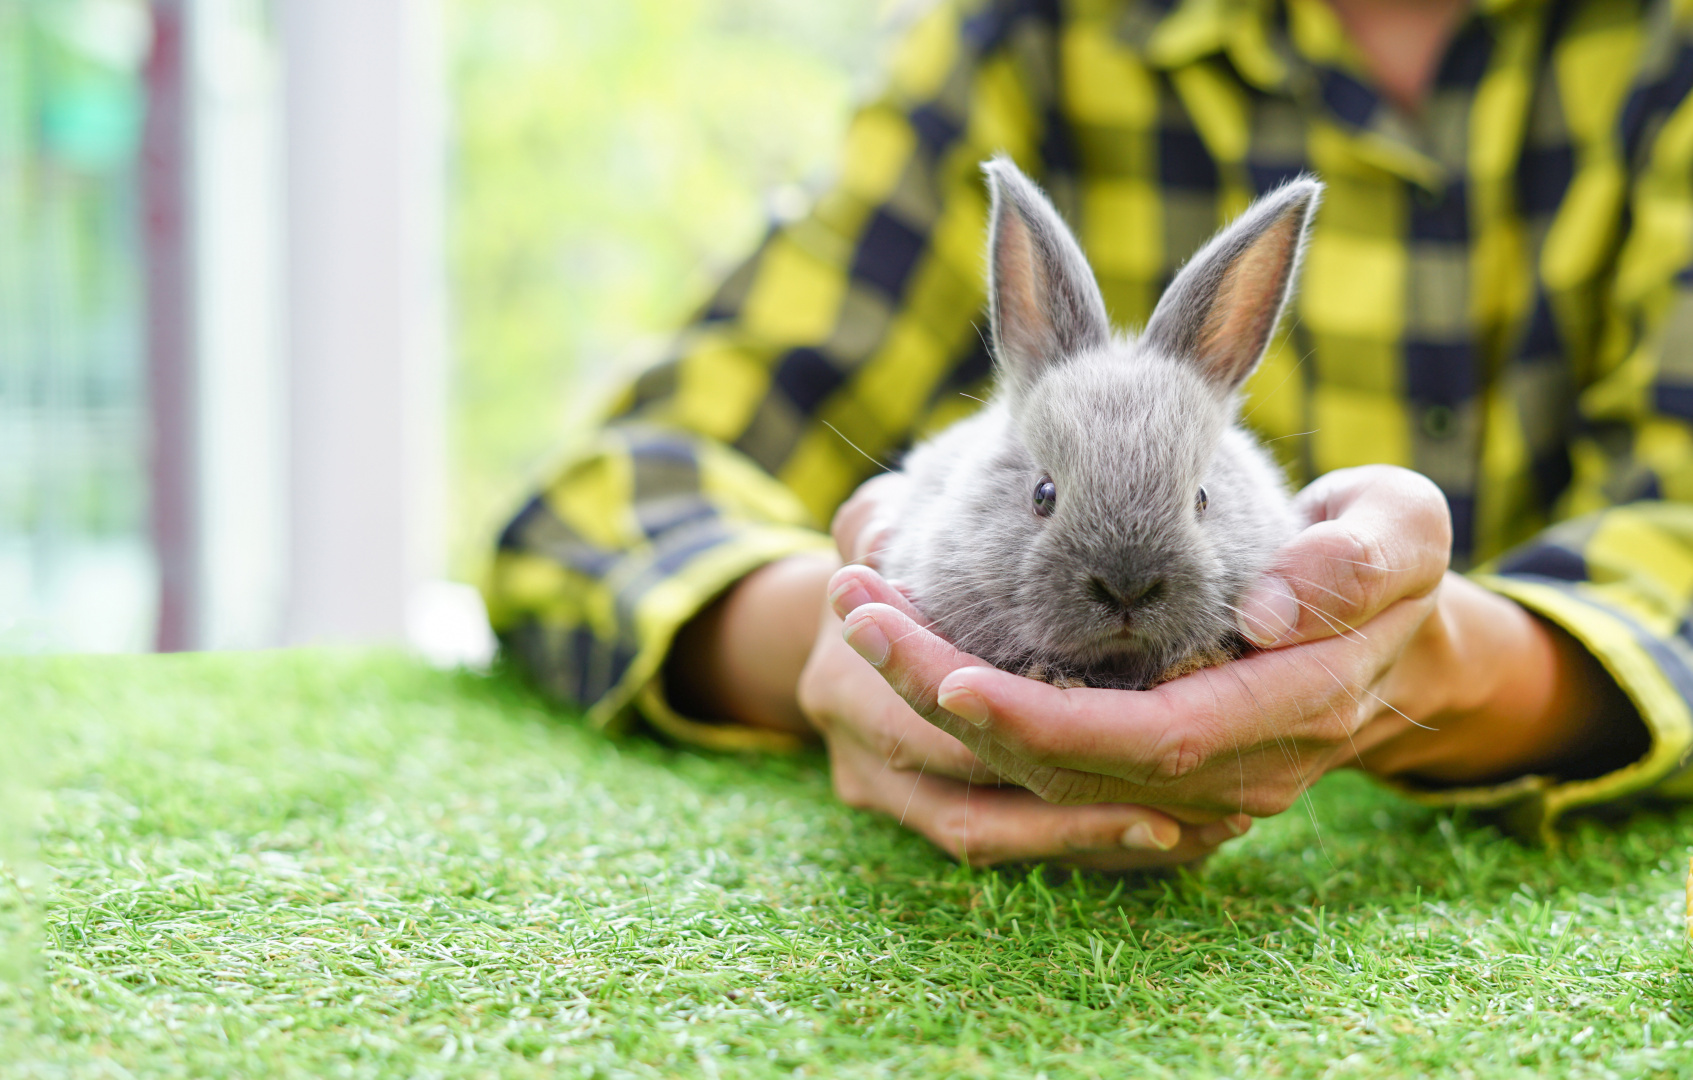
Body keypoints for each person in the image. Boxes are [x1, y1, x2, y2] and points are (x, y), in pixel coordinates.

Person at [482, 0, 1693, 869]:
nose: (1123, 586)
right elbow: (595, 508)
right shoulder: (1031, 32)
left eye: (1200, 503)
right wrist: (843, 638)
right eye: (1046, 498)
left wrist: (1455, 666)